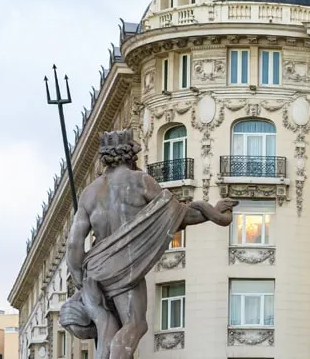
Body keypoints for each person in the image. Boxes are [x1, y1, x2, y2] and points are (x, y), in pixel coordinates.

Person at [61, 130, 238, 359]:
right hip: (125, 267)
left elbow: (74, 246)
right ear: (131, 154)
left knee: (107, 324)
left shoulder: (89, 193)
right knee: (135, 324)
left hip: (94, 269)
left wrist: (81, 283)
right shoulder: (140, 181)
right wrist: (212, 211)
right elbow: (178, 215)